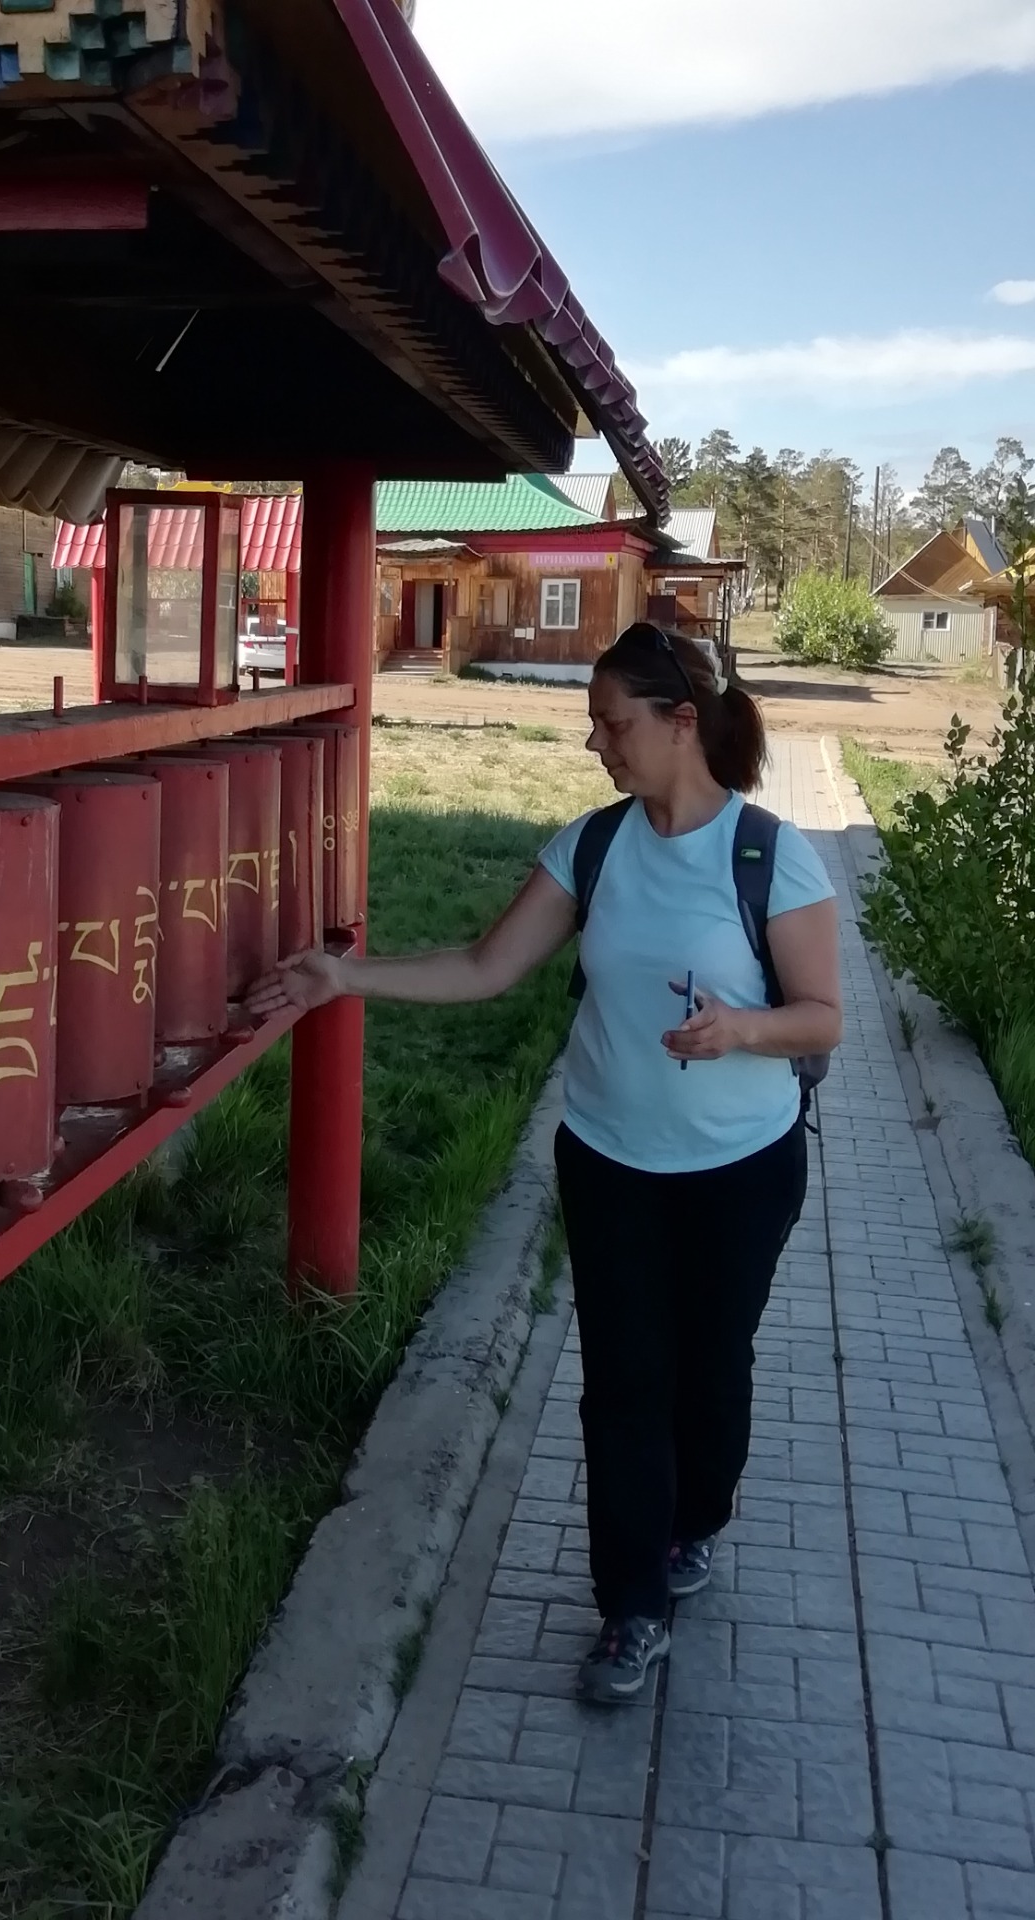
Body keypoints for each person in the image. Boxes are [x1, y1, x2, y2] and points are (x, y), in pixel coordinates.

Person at [247, 622, 842, 1703]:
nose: (596, 745)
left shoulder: (768, 854)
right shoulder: (593, 849)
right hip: (609, 1160)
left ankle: (698, 1517)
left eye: (613, 725)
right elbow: (486, 966)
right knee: (623, 1382)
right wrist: (348, 978)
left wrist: (742, 1030)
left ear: (681, 723)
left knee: (711, 1370)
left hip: (740, 1173)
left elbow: (824, 1018)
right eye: (592, 727)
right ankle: (630, 1607)